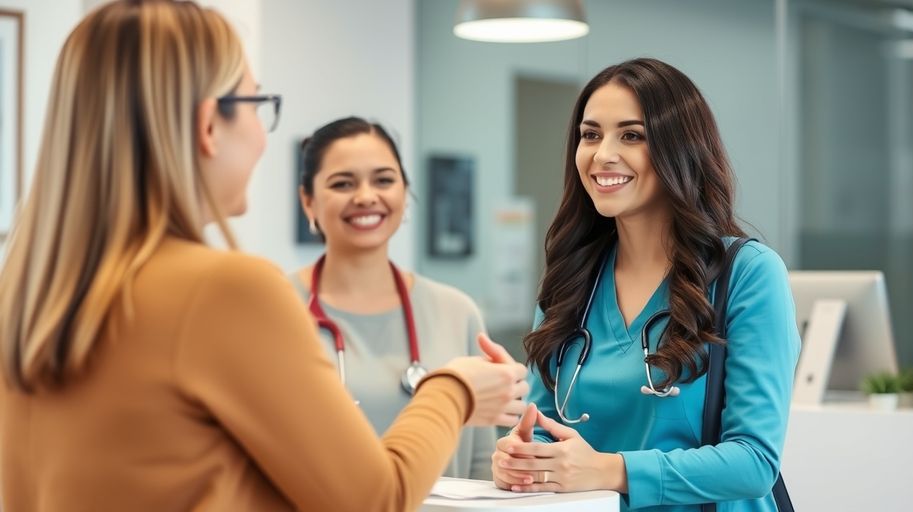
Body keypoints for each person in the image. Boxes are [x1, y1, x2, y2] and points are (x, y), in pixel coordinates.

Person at [0, 1, 527, 510]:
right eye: (257, 105)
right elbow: (375, 498)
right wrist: (453, 388)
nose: (260, 135)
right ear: (209, 126)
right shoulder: (225, 290)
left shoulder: (28, 290)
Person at [490, 58, 800, 511]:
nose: (602, 154)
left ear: (681, 149)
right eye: (590, 134)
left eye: (631, 135)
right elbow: (542, 425)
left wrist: (610, 470)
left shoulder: (748, 274)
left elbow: (754, 462)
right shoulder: (570, 281)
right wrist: (521, 457)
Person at [293, 116, 497, 479]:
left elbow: (480, 463)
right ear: (308, 201)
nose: (366, 196)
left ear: (405, 192)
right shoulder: (278, 309)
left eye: (384, 180)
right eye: (343, 183)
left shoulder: (457, 311)